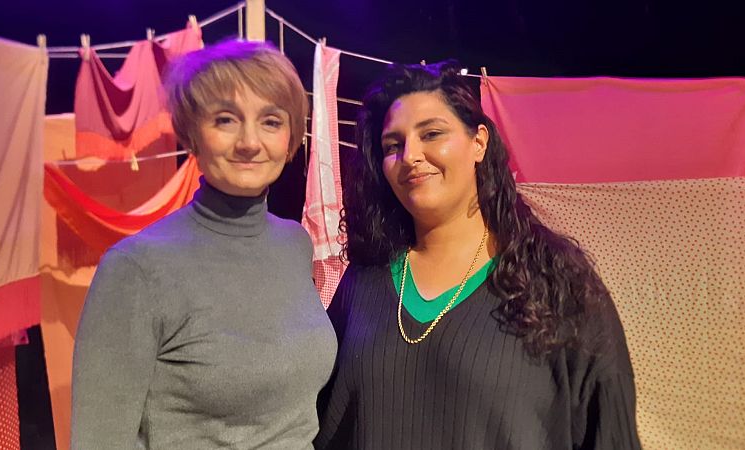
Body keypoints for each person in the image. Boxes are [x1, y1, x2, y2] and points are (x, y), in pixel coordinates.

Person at [315, 61, 641, 449]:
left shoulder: (555, 282)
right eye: (393, 146)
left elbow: (610, 430)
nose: (410, 155)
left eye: (432, 134)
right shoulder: (364, 284)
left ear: (478, 143)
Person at [71, 40, 337, 449]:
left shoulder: (294, 244)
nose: (249, 142)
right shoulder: (137, 269)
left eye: (270, 121)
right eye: (225, 120)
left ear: (290, 139)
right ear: (192, 134)